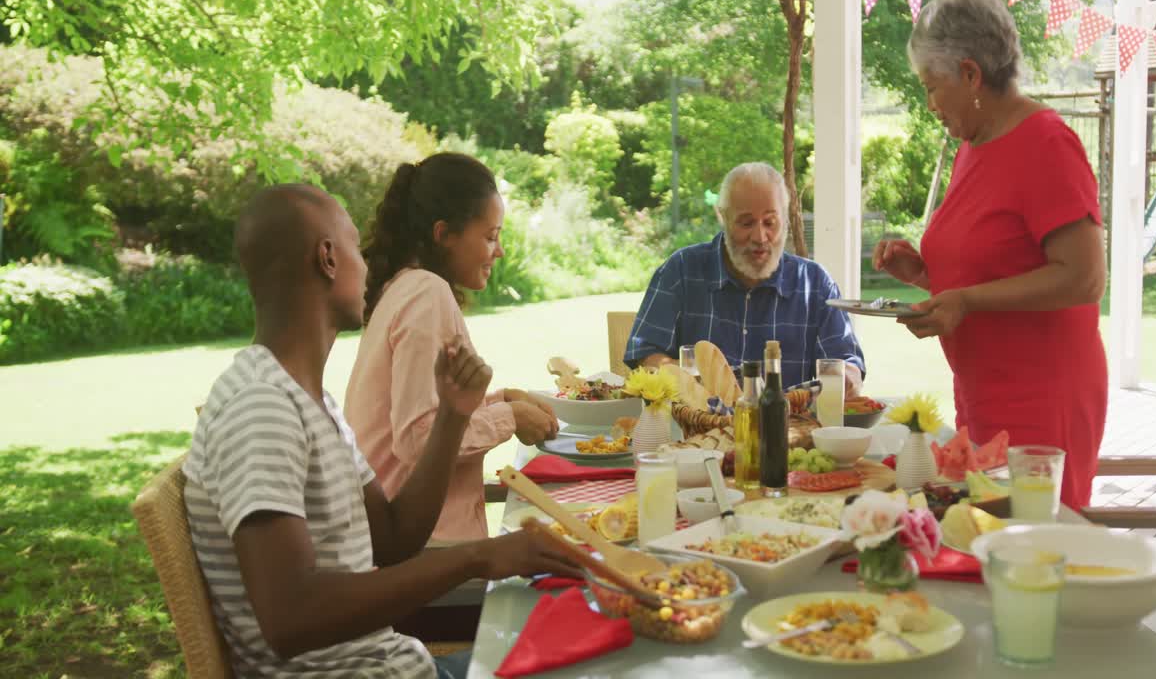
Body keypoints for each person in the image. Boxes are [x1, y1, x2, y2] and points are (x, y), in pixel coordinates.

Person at [183, 184, 579, 677]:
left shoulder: (308, 400)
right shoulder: (261, 407)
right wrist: (480, 557)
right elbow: (291, 617)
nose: (367, 265)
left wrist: (453, 419)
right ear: (328, 258)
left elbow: (393, 538)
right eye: (354, 246)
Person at [874, 0, 1107, 509]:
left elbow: (1084, 277)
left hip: (1042, 402)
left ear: (971, 75)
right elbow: (994, 269)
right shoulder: (973, 146)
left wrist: (968, 300)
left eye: (932, 87)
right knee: (981, 551)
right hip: (985, 395)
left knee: (1029, 557)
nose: (930, 104)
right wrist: (923, 275)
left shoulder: (1046, 142)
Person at [345, 154, 558, 542]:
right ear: (443, 235)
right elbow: (417, 440)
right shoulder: (426, 293)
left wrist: (497, 403)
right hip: (422, 553)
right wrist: (509, 418)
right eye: (491, 237)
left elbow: (431, 414)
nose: (500, 252)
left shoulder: (405, 287)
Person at [624, 162, 866, 392]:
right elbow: (645, 352)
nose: (760, 237)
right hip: (697, 430)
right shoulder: (682, 271)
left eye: (770, 222)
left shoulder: (815, 284)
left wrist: (848, 377)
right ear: (723, 217)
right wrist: (686, 381)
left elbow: (845, 360)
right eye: (746, 223)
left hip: (787, 430)